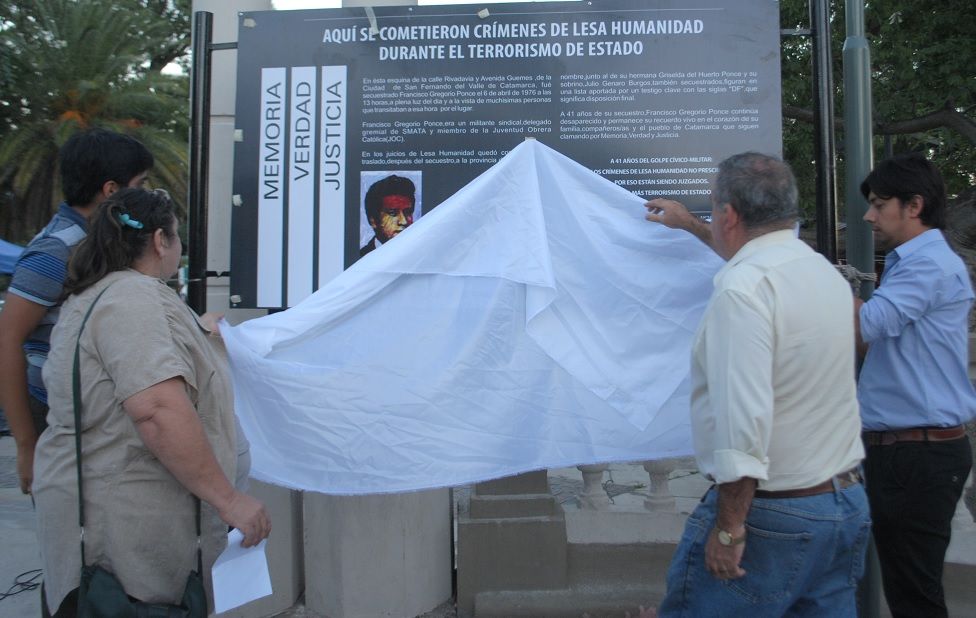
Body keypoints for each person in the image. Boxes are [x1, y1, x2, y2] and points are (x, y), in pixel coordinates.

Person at [32, 188, 271, 615]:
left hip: (119, 519)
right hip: (122, 532)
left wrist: (200, 331)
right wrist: (229, 499)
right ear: (161, 240)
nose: (179, 249)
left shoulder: (112, 294)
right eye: (177, 237)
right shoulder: (133, 299)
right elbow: (157, 409)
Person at [652, 153, 869, 616]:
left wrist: (729, 529)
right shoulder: (822, 273)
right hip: (843, 502)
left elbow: (741, 424)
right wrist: (690, 225)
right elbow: (757, 260)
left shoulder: (741, 293)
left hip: (775, 516)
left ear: (729, 215)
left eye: (713, 207)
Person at [0, 128, 152, 495]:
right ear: (111, 190)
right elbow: (7, 340)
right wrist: (26, 444)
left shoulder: (102, 240)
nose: (146, 195)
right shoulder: (55, 251)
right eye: (141, 185)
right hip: (52, 415)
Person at [855, 153, 974, 617]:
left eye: (879, 204)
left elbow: (868, 325)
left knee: (914, 597)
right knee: (909, 590)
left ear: (915, 205)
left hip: (918, 454)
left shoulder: (928, 265)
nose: (869, 216)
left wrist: (815, 278)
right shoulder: (914, 263)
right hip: (908, 450)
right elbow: (877, 340)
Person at [359, 174, 416, 256]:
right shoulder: (359, 259)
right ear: (373, 221)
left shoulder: (418, 254)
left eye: (408, 212)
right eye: (393, 213)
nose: (403, 221)